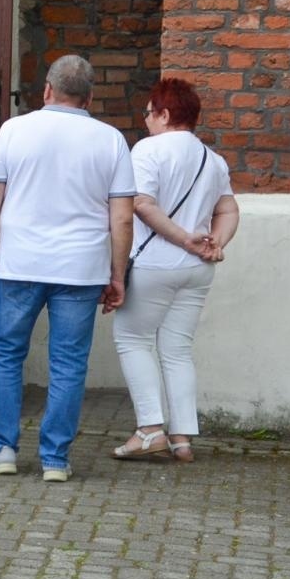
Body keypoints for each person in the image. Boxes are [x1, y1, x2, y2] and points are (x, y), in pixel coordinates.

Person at [0, 54, 135, 482]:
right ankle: (55, 459)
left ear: (46, 89)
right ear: (90, 96)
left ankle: (4, 448)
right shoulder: (110, 140)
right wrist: (117, 274)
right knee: (68, 363)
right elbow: (121, 217)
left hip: (21, 261)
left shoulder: (14, 130)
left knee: (7, 354)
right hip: (81, 268)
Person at [110, 78, 239, 463]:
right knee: (178, 350)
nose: (146, 120)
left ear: (165, 114)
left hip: (155, 264)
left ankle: (150, 429)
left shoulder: (148, 150)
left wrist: (183, 238)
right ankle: (181, 437)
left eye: (149, 113)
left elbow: (141, 203)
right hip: (198, 270)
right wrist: (215, 242)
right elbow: (229, 209)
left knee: (132, 339)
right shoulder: (212, 159)